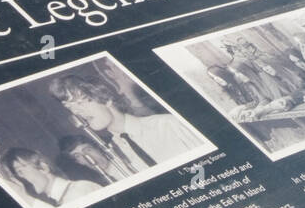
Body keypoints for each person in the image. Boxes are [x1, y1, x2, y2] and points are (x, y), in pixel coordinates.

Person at [49, 72, 199, 170]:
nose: (76, 111)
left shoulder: (169, 124)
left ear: (105, 98)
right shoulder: (115, 155)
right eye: (69, 107)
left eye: (81, 102)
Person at [4, 148, 102, 208]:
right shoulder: (61, 199)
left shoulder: (79, 190)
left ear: (43, 167)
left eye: (20, 171)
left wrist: (26, 198)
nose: (20, 180)